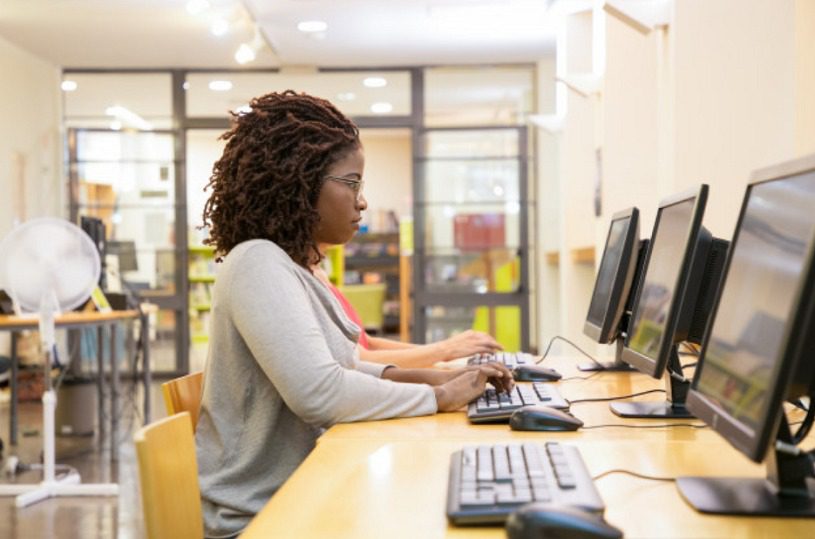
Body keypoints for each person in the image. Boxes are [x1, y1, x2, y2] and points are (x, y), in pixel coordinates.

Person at [195, 90, 514, 538]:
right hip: (259, 518)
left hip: (302, 493)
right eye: (352, 183)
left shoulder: (292, 268)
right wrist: (439, 398)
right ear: (301, 183)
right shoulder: (256, 263)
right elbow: (320, 394)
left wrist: (446, 380)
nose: (362, 202)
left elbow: (349, 365)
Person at [311, 258, 502, 368]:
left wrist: (443, 355)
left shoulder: (320, 273)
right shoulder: (309, 279)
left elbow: (368, 343)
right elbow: (357, 359)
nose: (361, 204)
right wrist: (444, 351)